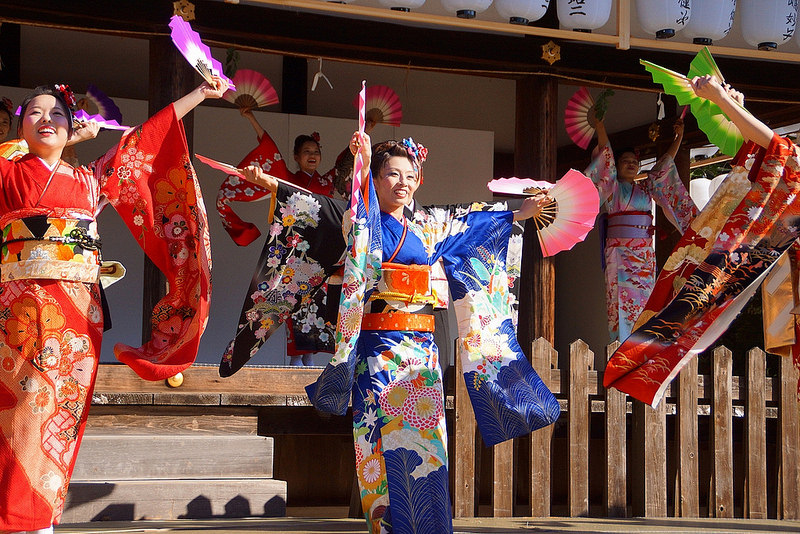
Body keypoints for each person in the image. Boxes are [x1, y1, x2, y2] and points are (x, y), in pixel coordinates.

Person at [235, 132, 561, 533]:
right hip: (379, 352)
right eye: (391, 174)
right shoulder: (362, 220)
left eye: (409, 175)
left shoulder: (428, 226)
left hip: (422, 353)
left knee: (430, 448)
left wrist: (519, 213)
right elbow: (318, 208)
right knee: (381, 447)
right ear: (373, 180)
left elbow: (472, 224)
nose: (402, 182)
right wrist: (274, 183)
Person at [0, 78, 225, 534]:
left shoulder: (89, 179)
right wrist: (60, 138)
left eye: (57, 114)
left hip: (77, 313)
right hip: (18, 307)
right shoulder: (5, 171)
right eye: (36, 114)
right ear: (19, 127)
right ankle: (14, 516)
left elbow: (147, 136)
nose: (47, 120)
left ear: (71, 126)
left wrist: (200, 94)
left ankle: (41, 518)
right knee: (21, 407)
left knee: (62, 414)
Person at [604, 75, 800, 407]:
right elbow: (776, 159)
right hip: (622, 256)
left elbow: (781, 159)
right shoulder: (614, 187)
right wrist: (732, 108)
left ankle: (645, 355)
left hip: (639, 255)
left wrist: (725, 103)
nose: (631, 165)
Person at [585, 112, 697, 341]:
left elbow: (665, 165)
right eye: (626, 161)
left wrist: (679, 137)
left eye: (635, 162)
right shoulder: (613, 188)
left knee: (645, 300)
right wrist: (600, 126)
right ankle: (620, 346)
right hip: (618, 253)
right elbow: (605, 157)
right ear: (616, 165)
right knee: (619, 301)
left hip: (644, 255)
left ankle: (643, 343)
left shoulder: (646, 188)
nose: (632, 164)